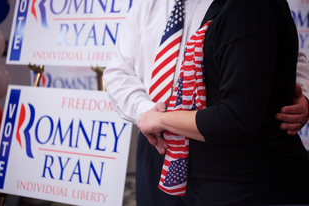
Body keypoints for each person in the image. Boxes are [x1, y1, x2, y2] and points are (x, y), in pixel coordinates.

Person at [103, 0, 309, 205]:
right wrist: (150, 114)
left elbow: (278, 53)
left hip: (218, 146)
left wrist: (304, 95)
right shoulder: (145, 6)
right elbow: (118, 72)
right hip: (157, 142)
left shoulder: (240, 7)